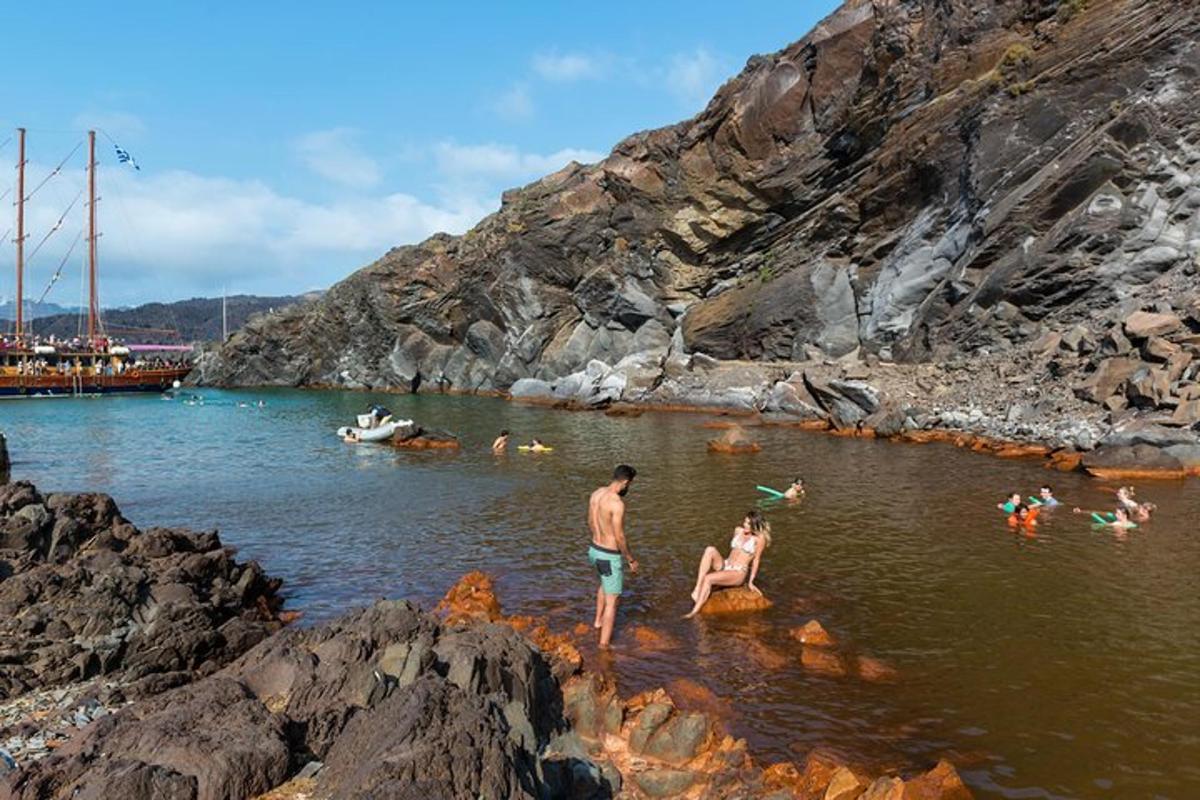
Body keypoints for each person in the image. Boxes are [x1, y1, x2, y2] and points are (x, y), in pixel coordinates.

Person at [587, 465, 639, 648]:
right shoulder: (617, 503)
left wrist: (598, 540)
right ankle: (604, 645)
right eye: (630, 484)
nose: (628, 488)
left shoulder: (596, 493)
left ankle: (597, 622)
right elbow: (620, 536)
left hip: (594, 550)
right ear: (625, 482)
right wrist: (630, 558)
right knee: (613, 601)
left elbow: (590, 521)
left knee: (604, 582)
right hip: (609, 555)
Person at [684, 510, 770, 619]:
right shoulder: (738, 530)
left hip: (738, 572)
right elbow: (734, 551)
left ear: (755, 524)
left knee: (708, 578)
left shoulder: (759, 539)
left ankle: (694, 612)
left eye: (749, 523)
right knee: (710, 549)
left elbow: (756, 560)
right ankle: (697, 588)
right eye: (745, 521)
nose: (745, 525)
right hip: (725, 564)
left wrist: (751, 582)